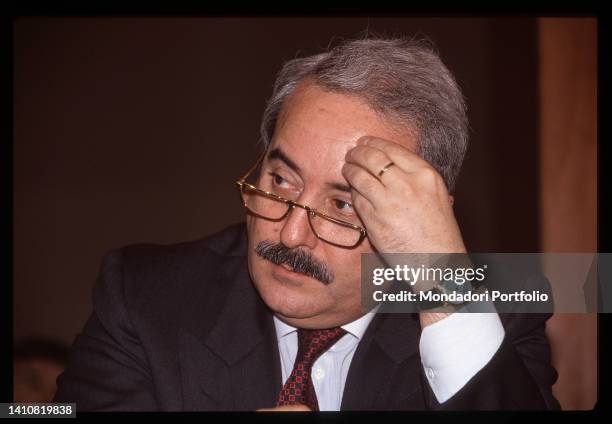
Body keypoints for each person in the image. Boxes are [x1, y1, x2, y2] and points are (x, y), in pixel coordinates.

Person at [54, 36, 560, 411]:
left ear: (422, 218)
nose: (290, 234)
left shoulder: (496, 312)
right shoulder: (145, 295)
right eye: (281, 181)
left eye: (343, 206)